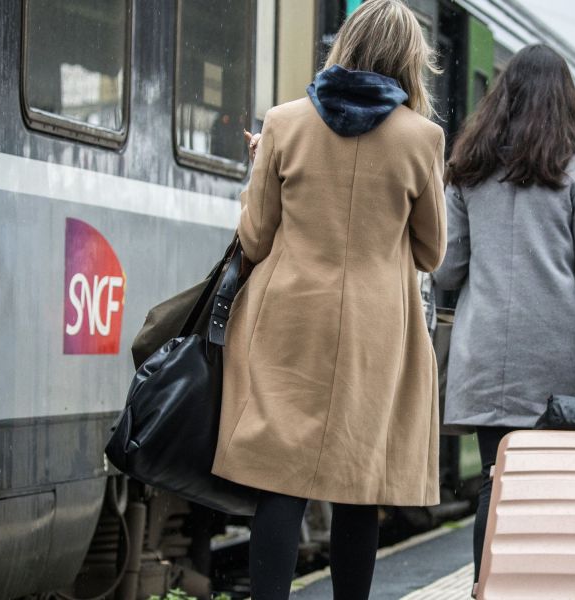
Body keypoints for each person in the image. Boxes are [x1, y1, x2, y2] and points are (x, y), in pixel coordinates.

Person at [210, 2, 445, 598]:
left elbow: (256, 235)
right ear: (410, 59)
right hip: (375, 328)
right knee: (356, 482)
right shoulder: (423, 138)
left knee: (281, 480)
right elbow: (430, 250)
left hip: (287, 317)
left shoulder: (284, 123)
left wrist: (260, 163)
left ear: (343, 44)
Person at [433, 44, 575, 592]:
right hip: (557, 362)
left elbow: (448, 270)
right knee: (554, 491)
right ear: (566, 100)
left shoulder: (468, 169)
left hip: (486, 355)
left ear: (503, 96)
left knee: (498, 484)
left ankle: (485, 586)